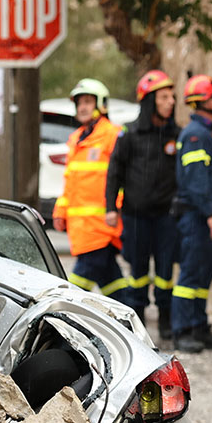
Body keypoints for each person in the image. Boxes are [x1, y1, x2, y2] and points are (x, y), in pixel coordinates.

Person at [104, 70, 180, 341]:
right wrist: (110, 207)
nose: (171, 102)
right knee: (137, 272)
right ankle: (138, 322)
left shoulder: (176, 134)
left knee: (165, 273)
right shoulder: (130, 134)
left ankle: (166, 320)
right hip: (136, 216)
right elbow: (114, 172)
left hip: (166, 217)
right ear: (149, 101)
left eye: (171, 97)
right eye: (164, 97)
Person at [51, 78, 133, 303]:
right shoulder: (76, 139)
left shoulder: (113, 135)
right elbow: (70, 180)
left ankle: (64, 311)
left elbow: (124, 177)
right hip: (82, 227)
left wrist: (117, 209)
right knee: (112, 282)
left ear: (101, 104)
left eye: (88, 101)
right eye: (79, 103)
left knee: (76, 287)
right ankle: (129, 315)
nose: (82, 107)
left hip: (102, 226)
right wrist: (60, 211)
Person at [170, 74, 212, 353]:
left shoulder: (207, 133)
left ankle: (199, 326)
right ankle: (181, 330)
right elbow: (196, 181)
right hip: (196, 216)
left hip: (203, 214)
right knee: (191, 275)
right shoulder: (196, 134)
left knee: (204, 275)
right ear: (208, 102)